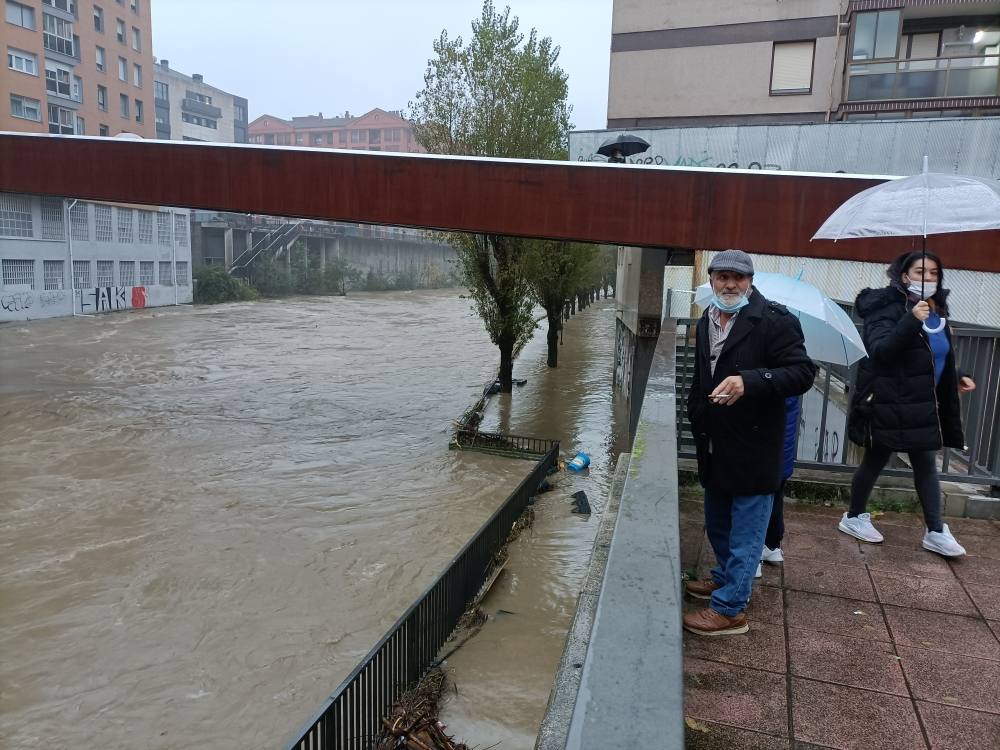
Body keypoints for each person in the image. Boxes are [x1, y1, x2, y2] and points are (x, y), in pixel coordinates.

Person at [683, 250, 816, 636]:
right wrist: (697, 412)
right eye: (722, 277)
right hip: (716, 442)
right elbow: (702, 377)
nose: (729, 284)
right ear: (711, 280)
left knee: (747, 531)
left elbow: (802, 373)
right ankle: (724, 578)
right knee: (718, 521)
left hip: (755, 446)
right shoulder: (707, 320)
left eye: (738, 278)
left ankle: (731, 608)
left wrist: (751, 381)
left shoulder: (775, 320)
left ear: (750, 281)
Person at [840, 251, 975, 555]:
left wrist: (956, 374)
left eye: (933, 274)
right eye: (919, 272)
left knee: (926, 464)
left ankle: (936, 530)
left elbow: (933, 353)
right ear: (904, 276)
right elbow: (881, 351)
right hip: (887, 400)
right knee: (874, 460)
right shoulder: (885, 307)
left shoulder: (937, 310)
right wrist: (910, 320)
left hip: (921, 403)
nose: (927, 279)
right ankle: (853, 516)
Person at [757, 395, 800, 577]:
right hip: (783, 433)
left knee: (756, 494)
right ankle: (771, 545)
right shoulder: (794, 370)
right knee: (775, 488)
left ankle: (753, 557)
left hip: (765, 431)